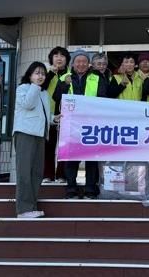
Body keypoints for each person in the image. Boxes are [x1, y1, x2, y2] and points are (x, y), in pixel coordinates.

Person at [53, 50, 108, 199]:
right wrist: (65, 85)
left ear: (88, 63)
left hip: (92, 124)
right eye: (78, 61)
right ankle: (71, 189)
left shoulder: (96, 77)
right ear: (73, 63)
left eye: (84, 61)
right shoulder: (65, 77)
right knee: (72, 157)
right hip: (71, 124)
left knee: (91, 158)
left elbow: (103, 98)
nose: (81, 64)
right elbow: (56, 97)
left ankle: (90, 189)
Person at [13, 61, 53, 218]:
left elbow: (42, 115)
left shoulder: (44, 93)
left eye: (43, 73)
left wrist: (54, 119)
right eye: (37, 73)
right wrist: (35, 86)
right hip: (25, 133)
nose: (40, 76)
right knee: (25, 172)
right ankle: (23, 209)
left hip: (40, 135)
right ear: (29, 75)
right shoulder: (23, 88)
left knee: (36, 172)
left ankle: (31, 206)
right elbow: (28, 105)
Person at [41, 46, 70, 182]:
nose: (59, 58)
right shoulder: (45, 73)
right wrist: (50, 74)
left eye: (62, 56)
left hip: (67, 114)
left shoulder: (70, 74)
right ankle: (48, 175)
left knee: (64, 146)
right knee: (49, 145)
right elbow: (41, 87)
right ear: (51, 58)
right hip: (49, 113)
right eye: (56, 55)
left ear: (67, 59)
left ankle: (62, 175)